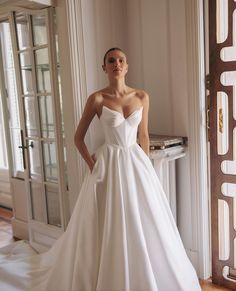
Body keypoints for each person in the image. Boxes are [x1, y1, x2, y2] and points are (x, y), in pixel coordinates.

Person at [0, 48, 202, 291]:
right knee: (108, 218)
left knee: (145, 218)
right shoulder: (97, 99)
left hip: (136, 161)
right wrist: (92, 163)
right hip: (109, 164)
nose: (117, 64)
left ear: (127, 67)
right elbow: (77, 138)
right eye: (111, 60)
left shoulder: (142, 96)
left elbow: (144, 136)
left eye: (121, 60)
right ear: (104, 67)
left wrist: (146, 168)